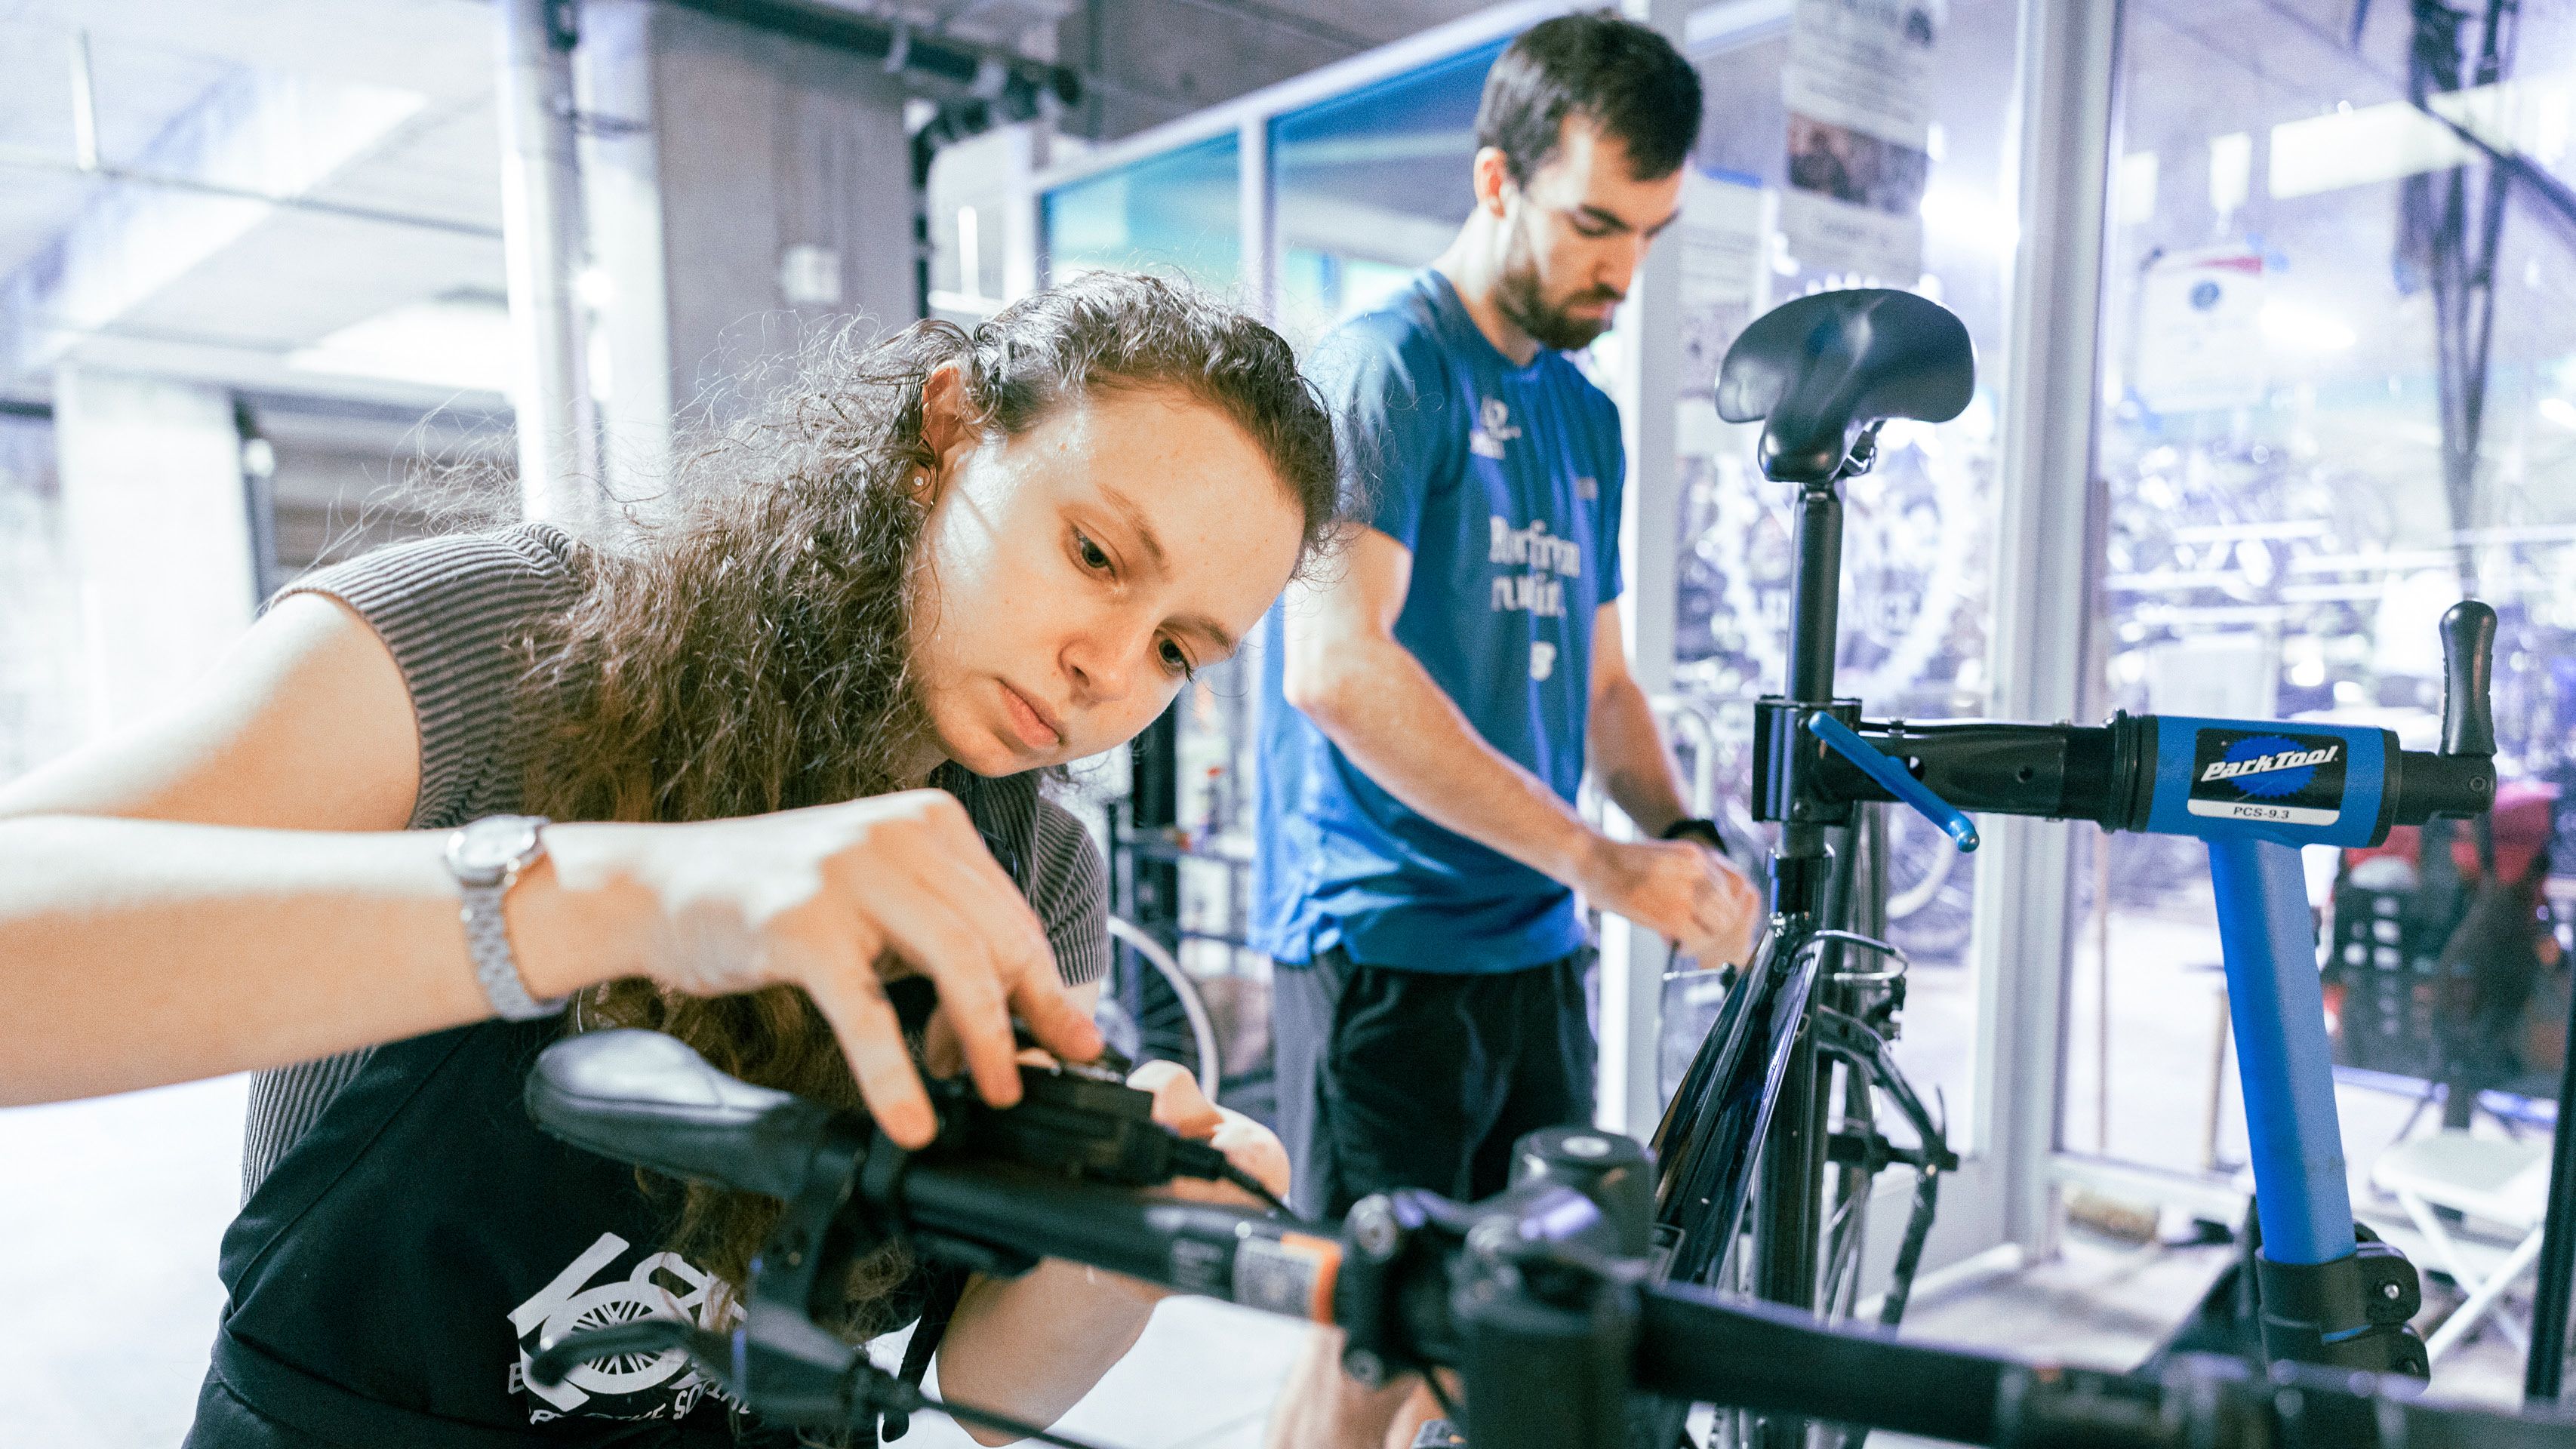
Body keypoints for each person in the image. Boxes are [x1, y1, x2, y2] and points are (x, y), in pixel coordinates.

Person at [0, 272, 1328, 1447]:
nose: (1108, 669)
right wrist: (627, 892)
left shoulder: (1034, 876)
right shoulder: (500, 641)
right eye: (1095, 555)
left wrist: (1122, 1241)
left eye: (1176, 651)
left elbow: (987, 1381)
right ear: (949, 430)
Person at [1251, 15, 1761, 1449]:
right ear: (1495, 184)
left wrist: (1681, 839)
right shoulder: (1385, 372)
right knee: (1372, 1355)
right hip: (1387, 943)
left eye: (1649, 233)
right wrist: (1608, 870)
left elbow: (1603, 693)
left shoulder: (1581, 418)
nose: (1623, 269)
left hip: (1531, 954)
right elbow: (1335, 670)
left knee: (1516, 1347)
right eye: (1595, 224)